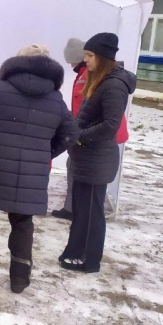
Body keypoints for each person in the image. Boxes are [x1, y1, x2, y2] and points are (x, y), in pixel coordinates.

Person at [0, 44, 79, 293]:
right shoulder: (55, 99)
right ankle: (19, 278)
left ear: (17, 63)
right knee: (23, 222)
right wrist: (44, 152)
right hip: (30, 175)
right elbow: (71, 133)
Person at [59, 33, 136, 274]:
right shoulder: (100, 80)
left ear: (103, 58)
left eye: (90, 56)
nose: (86, 60)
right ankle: (74, 251)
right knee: (82, 209)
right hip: (87, 156)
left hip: (97, 158)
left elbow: (111, 125)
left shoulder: (113, 85)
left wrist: (80, 135)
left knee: (92, 213)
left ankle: (90, 261)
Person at [52, 38, 130, 221]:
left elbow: (85, 109)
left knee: (83, 172)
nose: (74, 63)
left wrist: (75, 131)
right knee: (81, 171)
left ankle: (76, 211)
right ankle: (77, 210)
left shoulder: (89, 77)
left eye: (89, 55)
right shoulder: (88, 75)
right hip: (96, 134)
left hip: (97, 135)